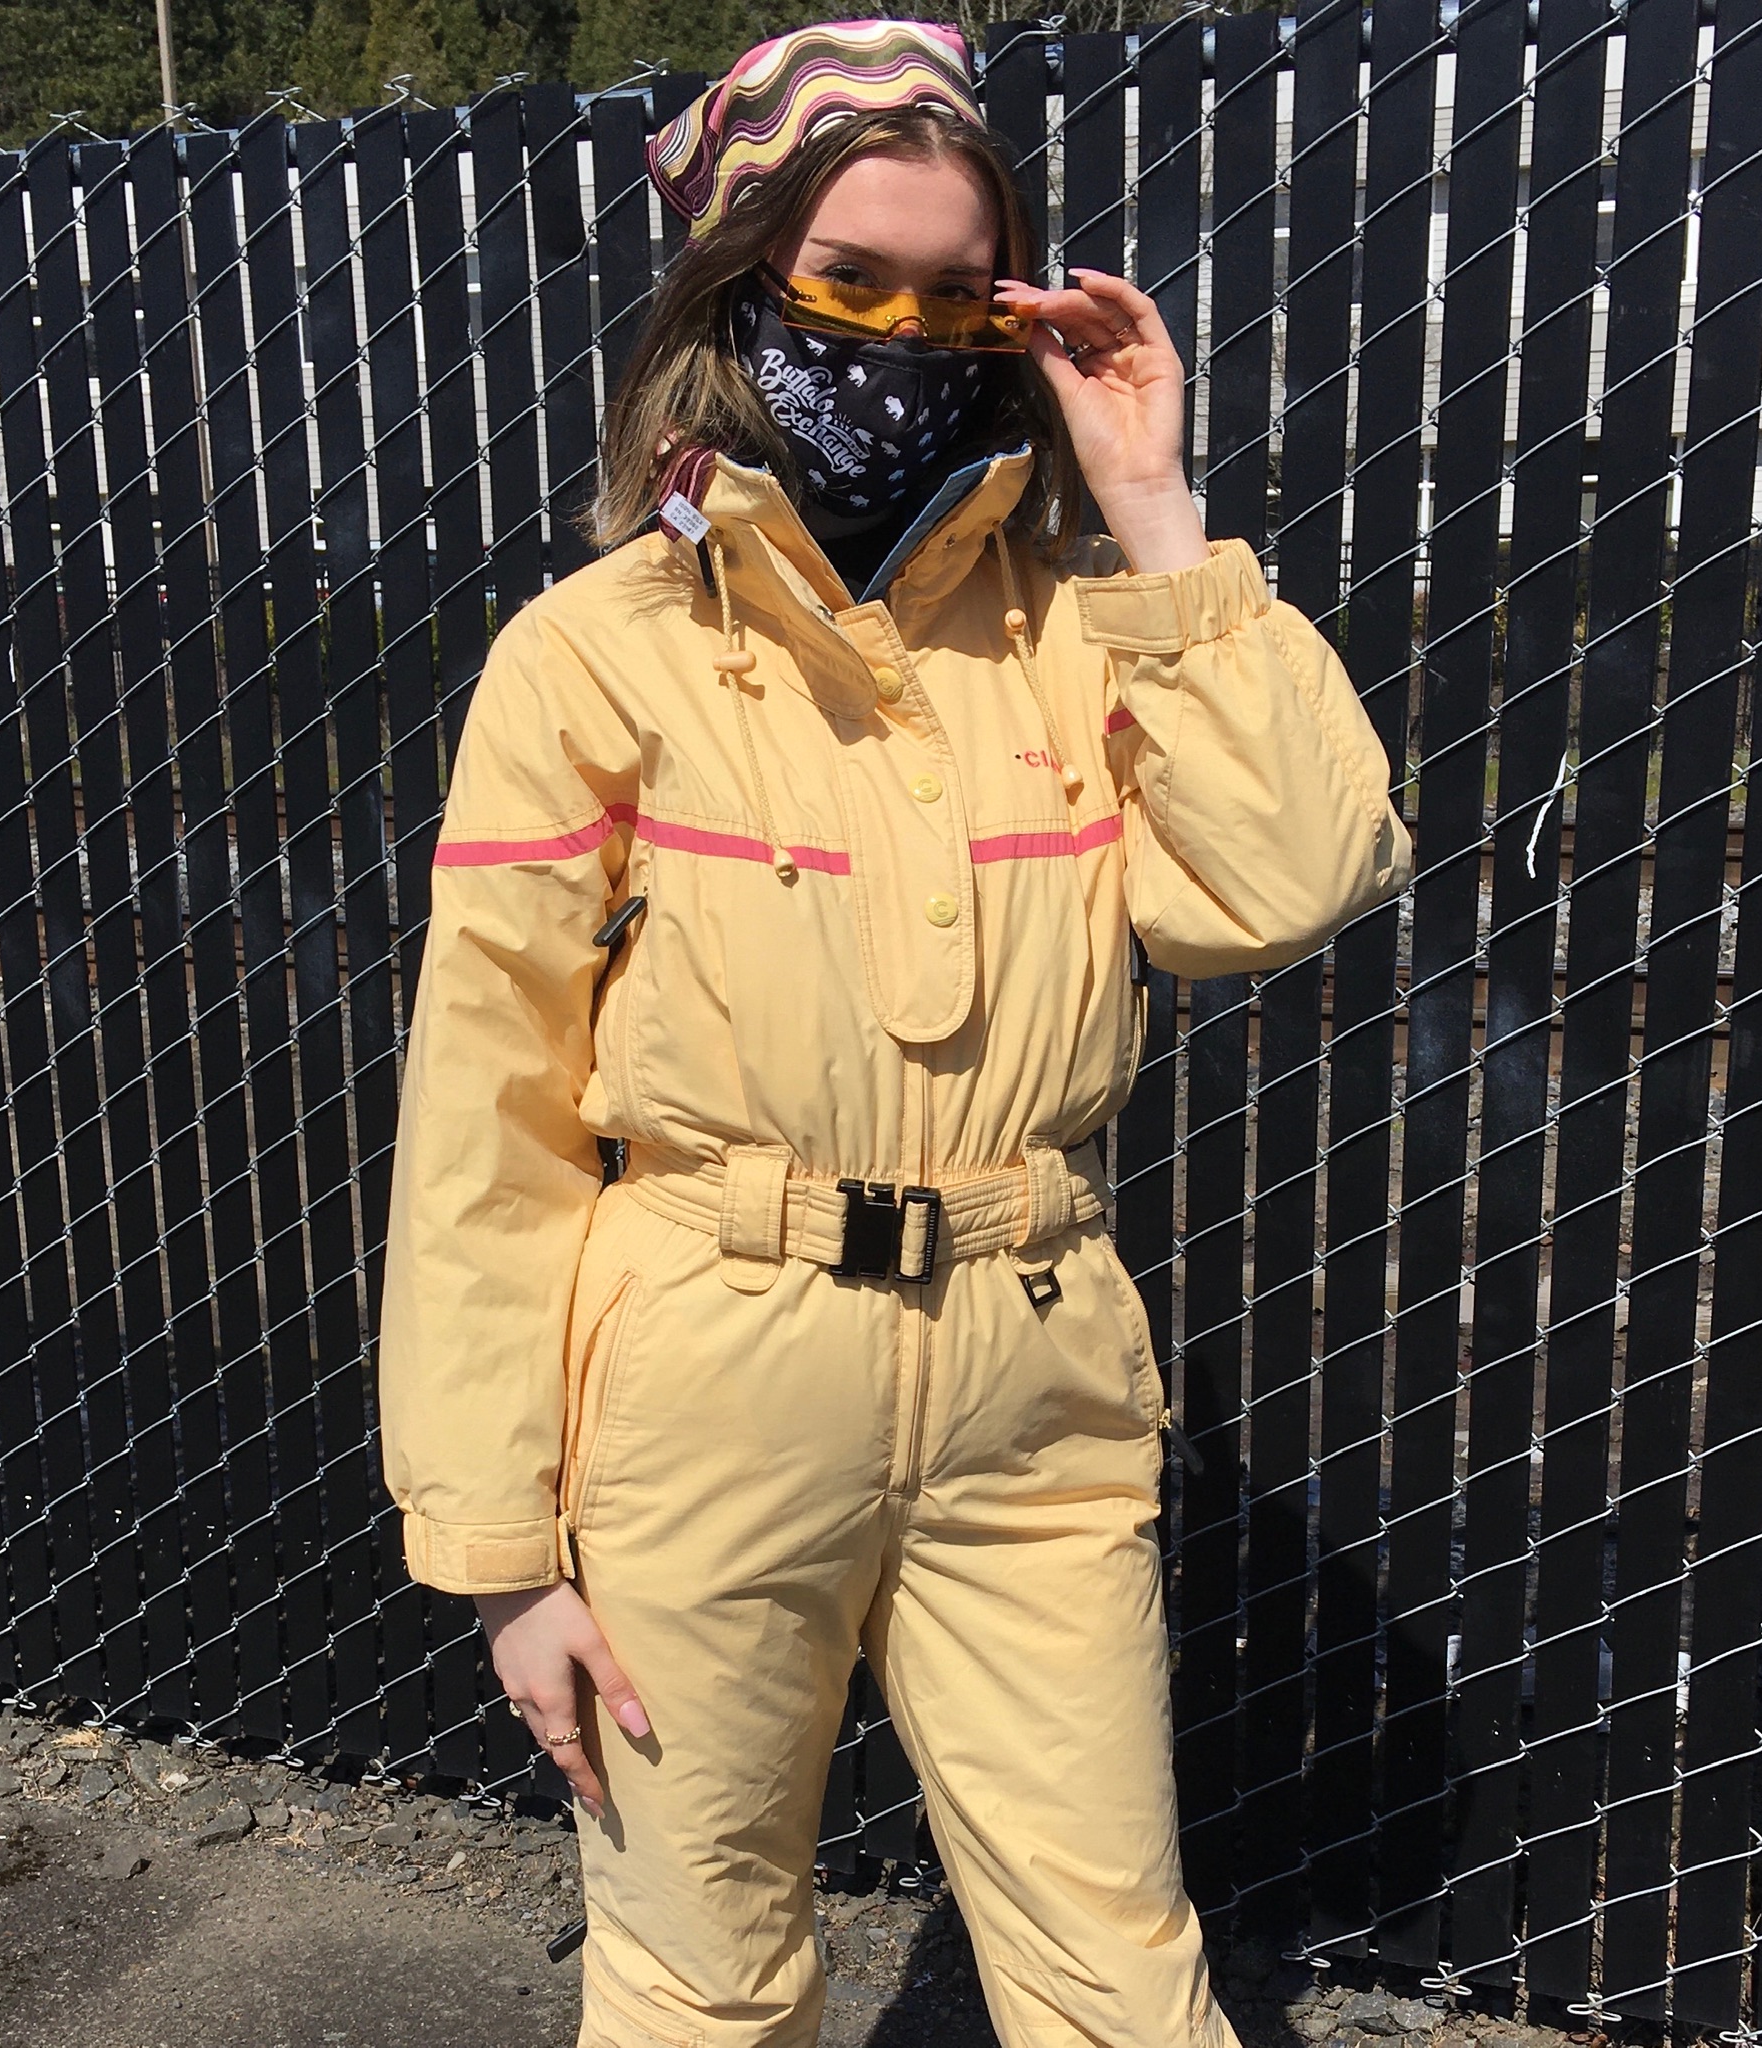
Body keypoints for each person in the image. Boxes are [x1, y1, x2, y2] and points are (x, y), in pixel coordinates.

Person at [379, 20, 1410, 2046]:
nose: (908, 336)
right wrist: (504, 1553)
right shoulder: (596, 656)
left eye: (959, 293)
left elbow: (1286, 879)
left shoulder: (1064, 631)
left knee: (1120, 1964)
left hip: (1031, 1355)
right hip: (707, 1361)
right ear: (735, 291)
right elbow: (485, 1117)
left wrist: (1148, 496)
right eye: (854, 283)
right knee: (704, 1966)